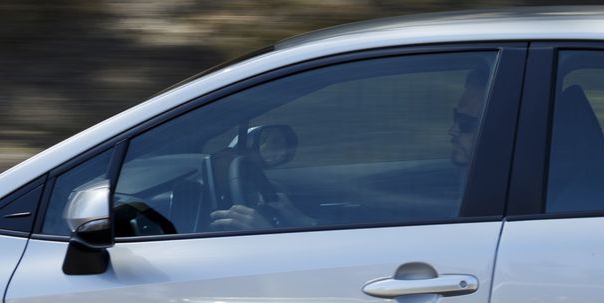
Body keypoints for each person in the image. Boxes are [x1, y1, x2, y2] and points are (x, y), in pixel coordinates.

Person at [209, 63, 489, 232]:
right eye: (455, 118)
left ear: (492, 128)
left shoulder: (488, 203)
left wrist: (266, 235)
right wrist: (299, 219)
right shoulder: (470, 188)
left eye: (465, 123)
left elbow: (387, 257)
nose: (452, 130)